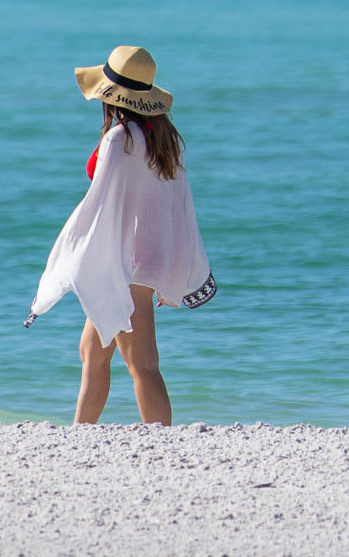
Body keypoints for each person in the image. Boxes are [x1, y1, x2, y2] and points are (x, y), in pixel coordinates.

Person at [26, 44, 216, 426]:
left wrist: (78, 252)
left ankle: (162, 440)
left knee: (142, 363)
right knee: (93, 353)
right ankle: (81, 434)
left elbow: (98, 204)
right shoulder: (165, 140)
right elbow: (175, 208)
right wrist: (169, 268)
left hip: (123, 265)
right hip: (143, 261)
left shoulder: (120, 139)